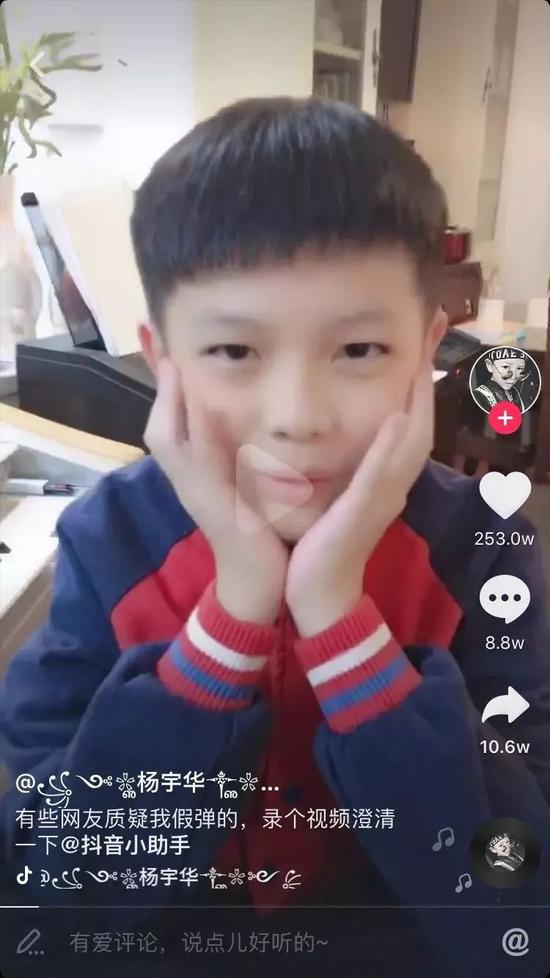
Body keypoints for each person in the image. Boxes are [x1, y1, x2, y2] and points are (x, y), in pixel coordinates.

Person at [1, 98, 549, 978]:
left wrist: (336, 611)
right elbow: (53, 902)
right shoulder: (108, 539)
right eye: (233, 353)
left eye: (360, 350)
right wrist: (234, 610)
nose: (299, 418)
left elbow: (515, 920)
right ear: (163, 361)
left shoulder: (485, 549)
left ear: (427, 352)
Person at [472, 347, 529, 412]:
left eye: (519, 369)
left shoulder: (514, 392)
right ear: (490, 365)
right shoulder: (480, 397)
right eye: (505, 367)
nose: (513, 377)